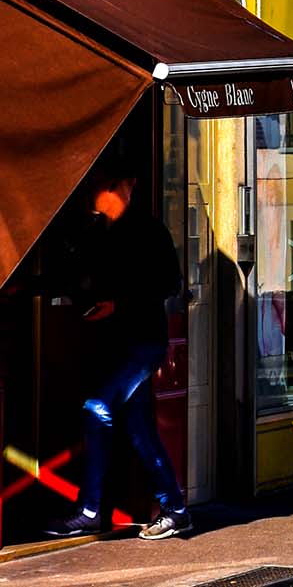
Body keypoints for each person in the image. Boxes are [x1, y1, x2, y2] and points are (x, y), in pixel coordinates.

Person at [44, 164, 191, 541]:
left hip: (144, 344)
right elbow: (78, 277)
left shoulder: (149, 231)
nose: (88, 194)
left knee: (97, 409)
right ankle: (175, 510)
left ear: (118, 187)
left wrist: (118, 305)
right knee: (139, 430)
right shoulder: (99, 233)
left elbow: (169, 283)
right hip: (118, 345)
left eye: (94, 186)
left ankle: (89, 511)